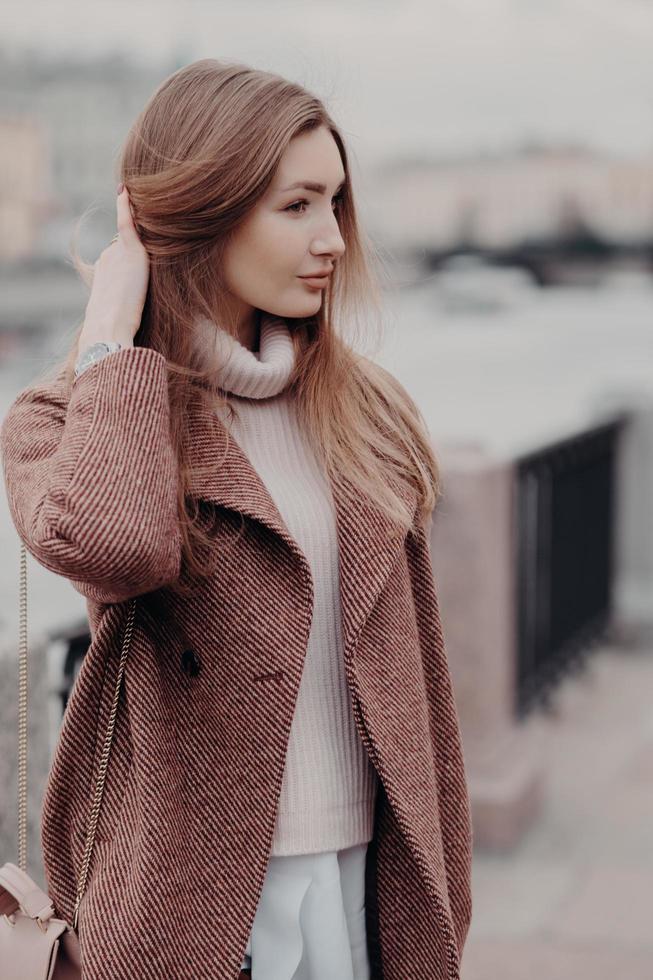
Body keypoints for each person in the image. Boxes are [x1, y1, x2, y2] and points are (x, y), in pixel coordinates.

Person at [0, 59, 473, 980]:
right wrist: (112, 328)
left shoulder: (361, 411)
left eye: (335, 203)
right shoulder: (66, 416)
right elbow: (117, 543)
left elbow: (422, 678)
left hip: (369, 881)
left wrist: (444, 886)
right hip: (194, 899)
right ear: (206, 207)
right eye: (296, 206)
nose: (332, 237)